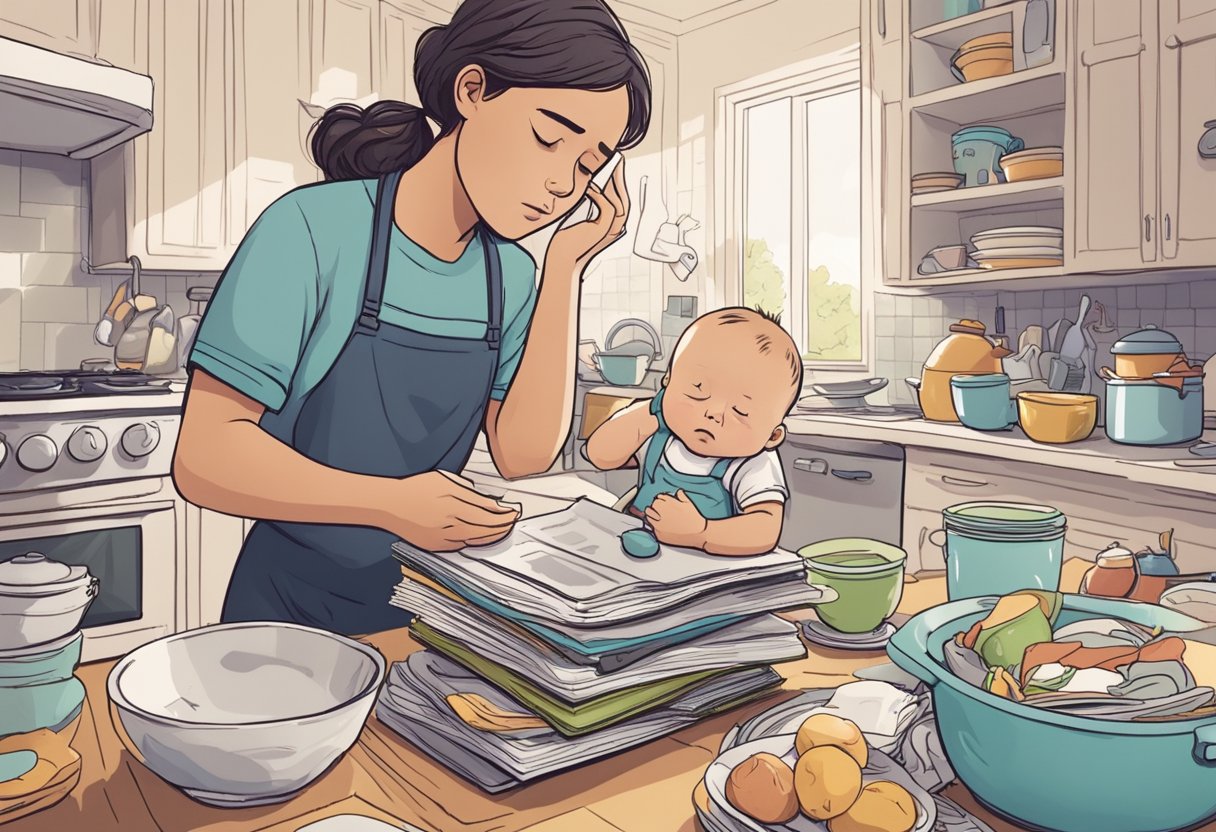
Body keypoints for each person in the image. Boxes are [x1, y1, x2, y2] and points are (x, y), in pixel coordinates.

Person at [171, 0, 651, 636]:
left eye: (589, 163)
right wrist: (391, 504)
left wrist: (565, 267)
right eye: (550, 137)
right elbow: (206, 457)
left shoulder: (511, 275)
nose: (566, 184)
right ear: (473, 90)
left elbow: (523, 455)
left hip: (432, 609)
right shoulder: (313, 229)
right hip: (286, 613)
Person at [585, 308, 803, 557]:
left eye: (740, 411)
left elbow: (765, 530)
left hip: (704, 567)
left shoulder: (752, 463)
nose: (714, 413)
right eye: (698, 389)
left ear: (772, 436)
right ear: (668, 381)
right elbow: (600, 454)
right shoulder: (662, 432)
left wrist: (702, 533)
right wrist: (654, 409)